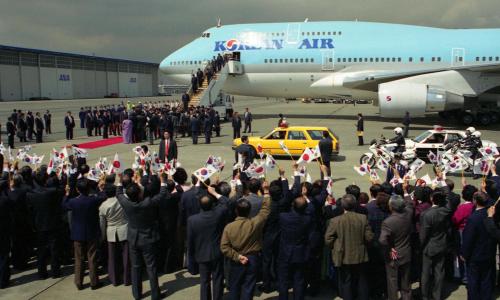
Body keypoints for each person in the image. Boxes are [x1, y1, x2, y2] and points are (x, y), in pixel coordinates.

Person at [116, 172, 168, 300]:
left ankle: (137, 294)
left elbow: (118, 193)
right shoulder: (147, 203)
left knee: (136, 266)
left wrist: (120, 180)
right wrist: (163, 180)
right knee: (151, 267)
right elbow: (161, 195)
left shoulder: (126, 203)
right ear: (140, 194)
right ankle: (155, 294)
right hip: (147, 238)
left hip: (133, 238)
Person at [220, 181, 271, 300]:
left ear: (236, 211)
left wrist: (237, 257)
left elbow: (224, 247)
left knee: (234, 288)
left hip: (236, 260)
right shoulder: (255, 223)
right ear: (249, 212)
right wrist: (266, 191)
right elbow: (265, 210)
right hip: (252, 259)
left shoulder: (229, 227)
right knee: (248, 288)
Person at [324, 194, 374, 300]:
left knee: (345, 282)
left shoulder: (336, 221)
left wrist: (337, 245)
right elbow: (369, 238)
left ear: (342, 206)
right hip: (360, 255)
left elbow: (328, 239)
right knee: (361, 281)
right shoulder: (362, 218)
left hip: (343, 255)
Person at [63, 178, 107, 290]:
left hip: (78, 233)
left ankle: (78, 282)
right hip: (92, 232)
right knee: (92, 258)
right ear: (89, 189)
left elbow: (64, 204)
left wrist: (67, 194)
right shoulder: (93, 200)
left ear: (77, 190)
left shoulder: (73, 201)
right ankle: (94, 282)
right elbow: (103, 197)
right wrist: (101, 189)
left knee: (79, 259)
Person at [187, 187, 229, 300]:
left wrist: (190, 258)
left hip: (201, 253)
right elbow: (226, 202)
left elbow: (190, 241)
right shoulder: (217, 214)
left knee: (204, 280)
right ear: (212, 205)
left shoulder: (193, 220)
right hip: (216, 252)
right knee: (218, 279)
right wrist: (214, 193)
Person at [26, 169, 64, 280]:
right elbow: (62, 190)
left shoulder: (30, 194)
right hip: (52, 224)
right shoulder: (52, 192)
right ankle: (55, 271)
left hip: (39, 225)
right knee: (54, 249)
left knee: (41, 250)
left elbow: (30, 211)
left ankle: (42, 273)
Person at [379, 191, 414, 300]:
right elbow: (410, 203)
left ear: (391, 207)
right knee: (406, 280)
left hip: (393, 255)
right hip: (406, 251)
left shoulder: (388, 222)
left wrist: (390, 248)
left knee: (392, 280)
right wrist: (406, 192)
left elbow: (382, 240)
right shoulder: (409, 213)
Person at [462, 192, 497, 300]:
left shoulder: (473, 218)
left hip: (475, 256)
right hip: (488, 253)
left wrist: (464, 254)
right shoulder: (490, 215)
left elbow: (468, 239)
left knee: (473, 282)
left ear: (475, 201)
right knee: (486, 281)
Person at [419, 189, 452, 300]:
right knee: (439, 271)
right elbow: (448, 201)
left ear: (431, 199)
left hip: (429, 246)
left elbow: (423, 235)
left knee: (426, 273)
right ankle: (436, 295)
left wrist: (421, 246)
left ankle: (424, 295)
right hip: (441, 243)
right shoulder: (446, 210)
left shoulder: (427, 214)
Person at [278, 196, 312, 300]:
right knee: (299, 280)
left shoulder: (283, 217)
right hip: (300, 253)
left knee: (283, 281)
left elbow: (282, 205)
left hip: (285, 252)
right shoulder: (307, 219)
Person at [99, 176, 130, 286]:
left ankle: (115, 279)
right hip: (124, 229)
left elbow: (102, 224)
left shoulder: (103, 206)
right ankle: (127, 278)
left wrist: (102, 236)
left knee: (112, 258)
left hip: (111, 232)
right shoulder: (123, 200)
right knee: (126, 257)